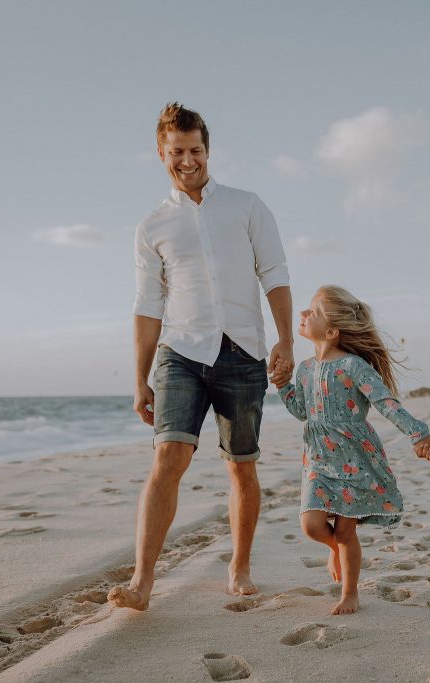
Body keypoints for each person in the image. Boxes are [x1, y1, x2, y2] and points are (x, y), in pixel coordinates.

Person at [107, 103, 294, 611]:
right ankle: (142, 582)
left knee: (241, 468)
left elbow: (274, 272)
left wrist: (285, 340)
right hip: (180, 352)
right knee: (167, 458)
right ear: (161, 154)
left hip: (243, 351)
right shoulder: (153, 226)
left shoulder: (247, 205)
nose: (186, 161)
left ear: (207, 150)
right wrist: (140, 378)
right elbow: (147, 306)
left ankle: (240, 567)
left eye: (195, 151)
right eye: (176, 152)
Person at [274, 286, 430, 615]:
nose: (303, 315)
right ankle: (333, 548)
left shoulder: (354, 367)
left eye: (313, 312)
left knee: (346, 528)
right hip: (319, 458)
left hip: (353, 457)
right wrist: (283, 386)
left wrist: (418, 434)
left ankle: (349, 592)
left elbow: (386, 404)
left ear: (333, 331)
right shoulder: (305, 369)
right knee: (311, 524)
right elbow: (301, 411)